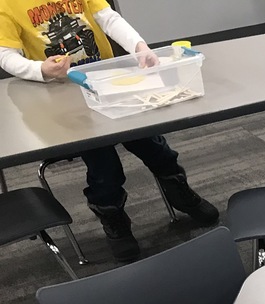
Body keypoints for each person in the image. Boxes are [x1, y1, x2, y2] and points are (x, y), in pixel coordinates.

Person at [0, 1, 220, 262]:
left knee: (154, 145)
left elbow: (108, 18)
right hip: (64, 98)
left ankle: (178, 190)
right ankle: (113, 218)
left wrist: (139, 47)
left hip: (107, 84)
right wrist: (40, 70)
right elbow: (5, 54)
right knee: (105, 169)